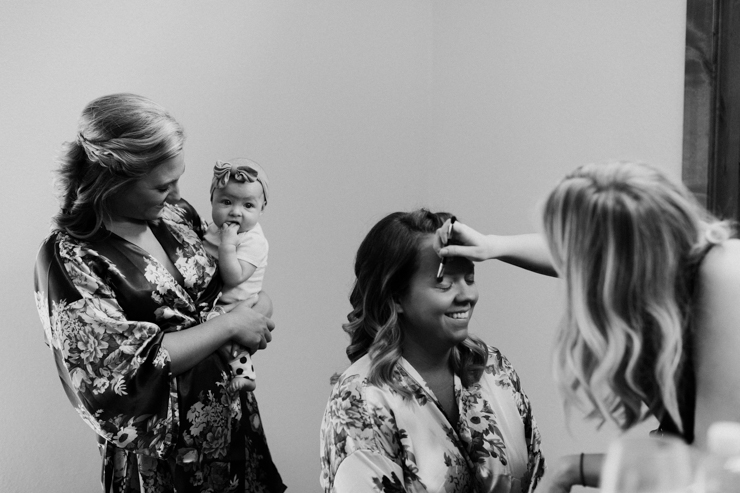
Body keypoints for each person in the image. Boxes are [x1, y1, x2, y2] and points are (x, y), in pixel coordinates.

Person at [33, 93, 286, 493]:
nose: (175, 194)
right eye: (161, 186)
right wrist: (231, 326)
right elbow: (115, 376)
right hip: (162, 461)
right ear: (111, 181)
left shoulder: (175, 216)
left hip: (232, 431)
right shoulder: (70, 257)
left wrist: (257, 312)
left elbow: (229, 290)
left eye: (177, 180)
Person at [435, 161, 740, 491]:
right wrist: (492, 246)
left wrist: (574, 469)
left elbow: (715, 465)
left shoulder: (725, 274)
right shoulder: (661, 268)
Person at [320, 209, 545, 493]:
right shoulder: (359, 400)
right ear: (396, 296)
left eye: (470, 278)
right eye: (444, 283)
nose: (467, 295)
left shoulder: (493, 368)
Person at [203, 158, 271, 393]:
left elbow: (234, 276)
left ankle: (246, 374)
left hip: (235, 304)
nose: (236, 212)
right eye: (227, 202)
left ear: (262, 208)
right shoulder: (212, 230)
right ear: (212, 200)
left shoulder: (253, 241)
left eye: (248, 206)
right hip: (216, 302)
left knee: (225, 338)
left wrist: (227, 247)